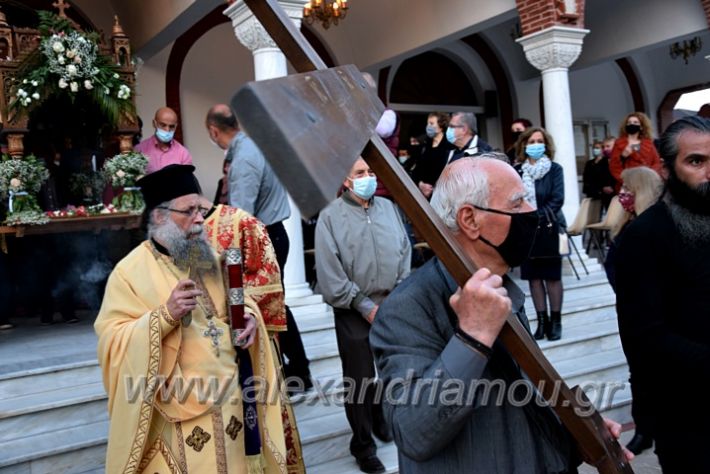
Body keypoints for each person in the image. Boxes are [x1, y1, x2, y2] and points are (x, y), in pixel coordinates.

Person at [369, 157, 632, 473]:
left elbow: (521, 400)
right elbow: (413, 433)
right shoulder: (409, 306)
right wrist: (472, 337)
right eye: (517, 202)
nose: (530, 212)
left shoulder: (500, 286)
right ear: (470, 219)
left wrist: (576, 436)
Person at [95, 164, 288, 473]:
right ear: (159, 216)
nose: (200, 218)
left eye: (201, 209)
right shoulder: (129, 273)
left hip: (232, 403)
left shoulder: (205, 256)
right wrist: (165, 315)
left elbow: (236, 304)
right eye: (190, 211)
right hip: (180, 411)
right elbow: (113, 342)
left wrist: (249, 317)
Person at [614, 116, 710, 473]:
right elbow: (645, 336)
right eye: (696, 161)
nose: (708, 172)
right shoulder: (646, 235)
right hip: (688, 415)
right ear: (668, 170)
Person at [205, 104, 312, 391]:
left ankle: (297, 370)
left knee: (269, 305)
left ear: (214, 131)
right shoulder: (255, 145)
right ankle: (293, 368)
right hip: (271, 234)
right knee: (273, 304)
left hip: (262, 239)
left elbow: (242, 217)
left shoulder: (244, 160)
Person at [315, 157, 411, 474]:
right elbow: (331, 275)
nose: (368, 177)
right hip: (353, 309)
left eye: (371, 172)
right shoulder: (329, 217)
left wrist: (398, 294)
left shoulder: (388, 208)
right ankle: (363, 445)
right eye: (360, 173)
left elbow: (404, 253)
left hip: (391, 303)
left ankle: (382, 418)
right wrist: (366, 306)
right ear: (345, 180)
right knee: (359, 378)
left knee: (390, 368)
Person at [201, 196, 306, 473]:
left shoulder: (241, 222)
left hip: (244, 342)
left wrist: (242, 311)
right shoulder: (169, 239)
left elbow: (268, 282)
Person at [514, 127, 565, 341]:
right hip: (527, 232)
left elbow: (557, 198)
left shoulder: (554, 169)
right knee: (534, 278)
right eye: (531, 141)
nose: (536, 144)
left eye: (539, 141)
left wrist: (536, 216)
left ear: (546, 145)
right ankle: (541, 321)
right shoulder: (517, 170)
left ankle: (556, 321)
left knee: (552, 277)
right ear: (524, 145)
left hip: (551, 228)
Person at [609, 112, 662, 192]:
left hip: (646, 185)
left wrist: (648, 177)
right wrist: (622, 156)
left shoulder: (649, 144)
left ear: (641, 127)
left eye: (635, 122)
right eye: (629, 122)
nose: (631, 124)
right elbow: (614, 166)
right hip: (627, 186)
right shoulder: (619, 143)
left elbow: (656, 163)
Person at [135, 106, 193, 174]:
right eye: (163, 125)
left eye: (171, 126)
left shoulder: (183, 153)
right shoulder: (140, 150)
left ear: (176, 127)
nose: (167, 130)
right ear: (154, 123)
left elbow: (187, 181)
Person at [410, 112, 454, 199]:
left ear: (441, 126)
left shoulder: (449, 146)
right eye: (427, 124)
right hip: (422, 196)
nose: (428, 127)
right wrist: (420, 184)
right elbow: (415, 170)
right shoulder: (424, 145)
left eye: (431, 123)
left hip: (442, 196)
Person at [582, 139, 616, 212]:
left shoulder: (618, 160)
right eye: (603, 147)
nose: (605, 149)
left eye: (608, 146)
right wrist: (601, 188)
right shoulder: (595, 163)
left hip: (615, 195)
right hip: (599, 194)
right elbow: (593, 178)